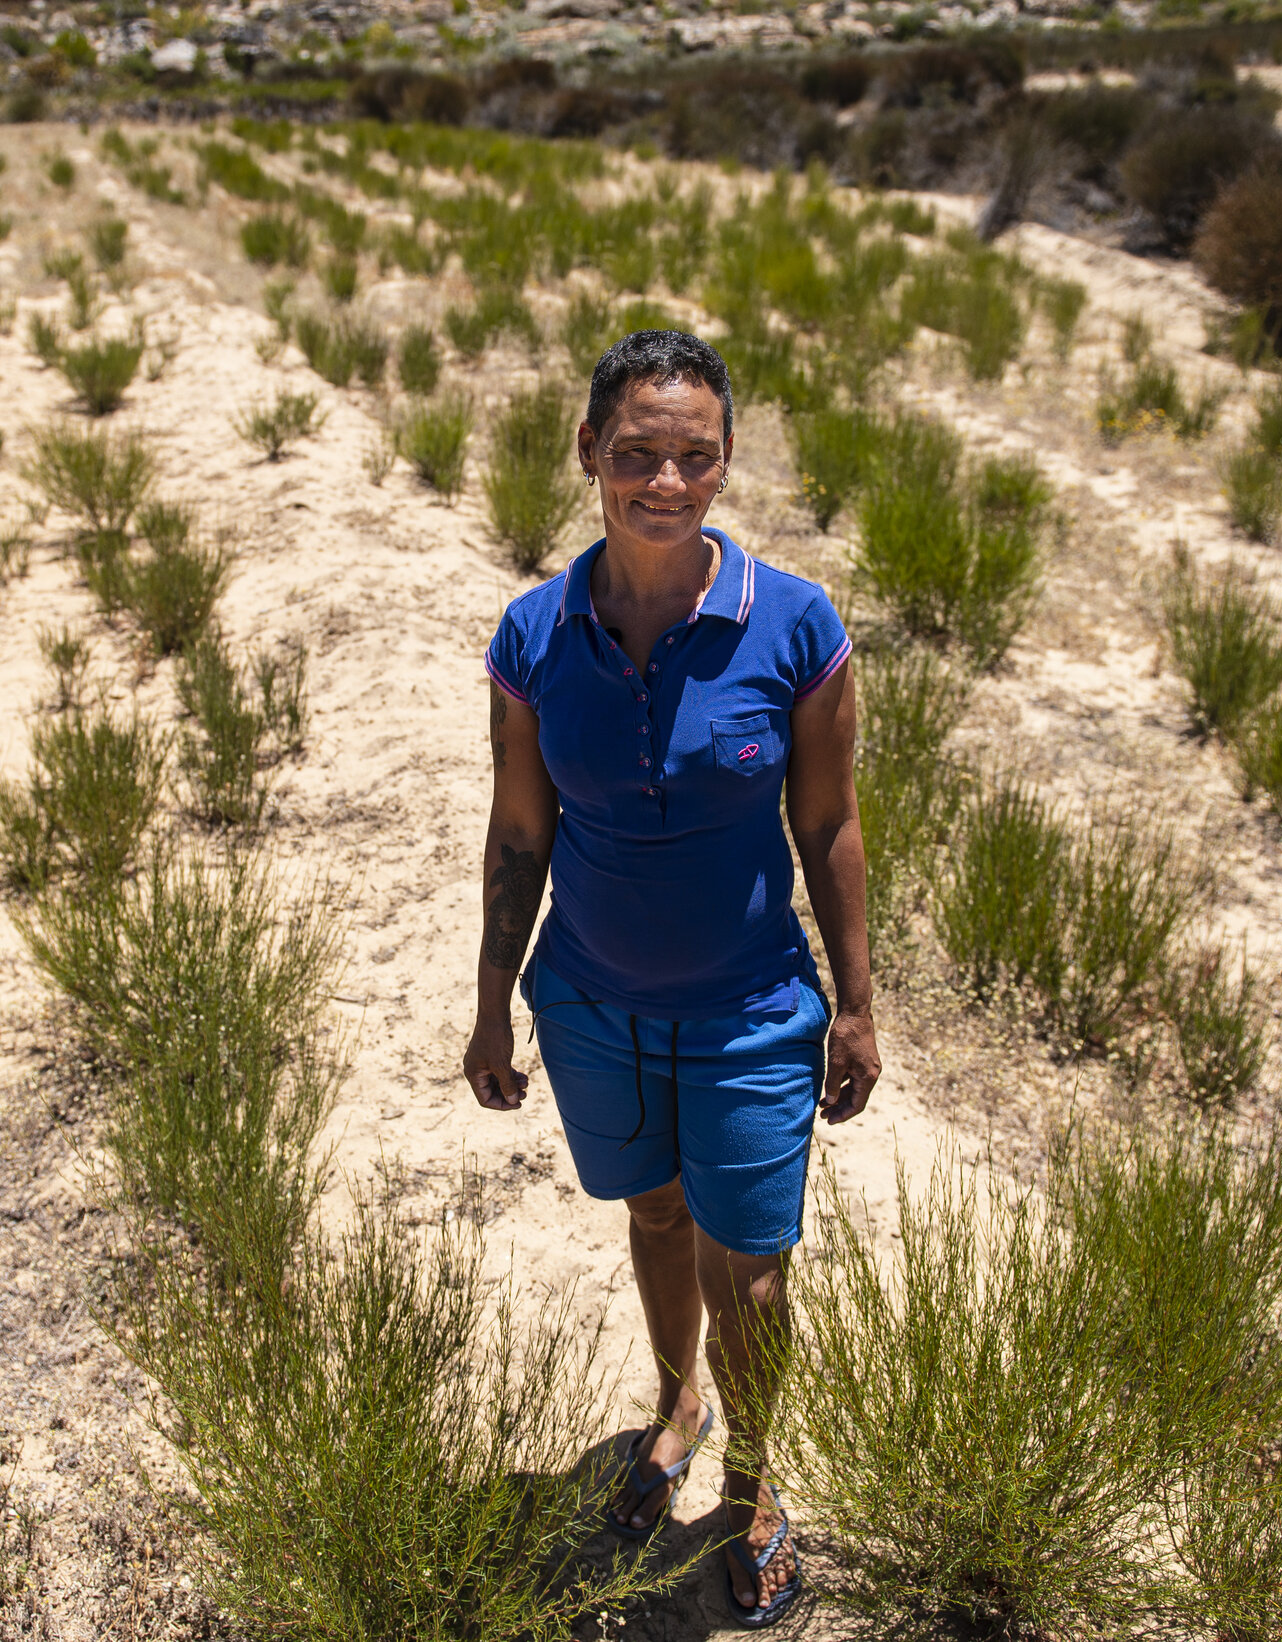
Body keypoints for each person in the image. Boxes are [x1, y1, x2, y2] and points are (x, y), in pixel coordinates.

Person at [461, 330, 880, 1629]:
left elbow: (828, 824)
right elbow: (521, 828)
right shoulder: (534, 635)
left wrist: (856, 998)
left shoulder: (796, 624)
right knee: (650, 1217)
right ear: (589, 452)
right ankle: (675, 1404)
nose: (664, 480)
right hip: (590, 997)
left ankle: (752, 1488)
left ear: (725, 462)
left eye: (693, 456)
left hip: (751, 1003)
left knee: (749, 1261)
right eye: (636, 452)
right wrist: (491, 997)